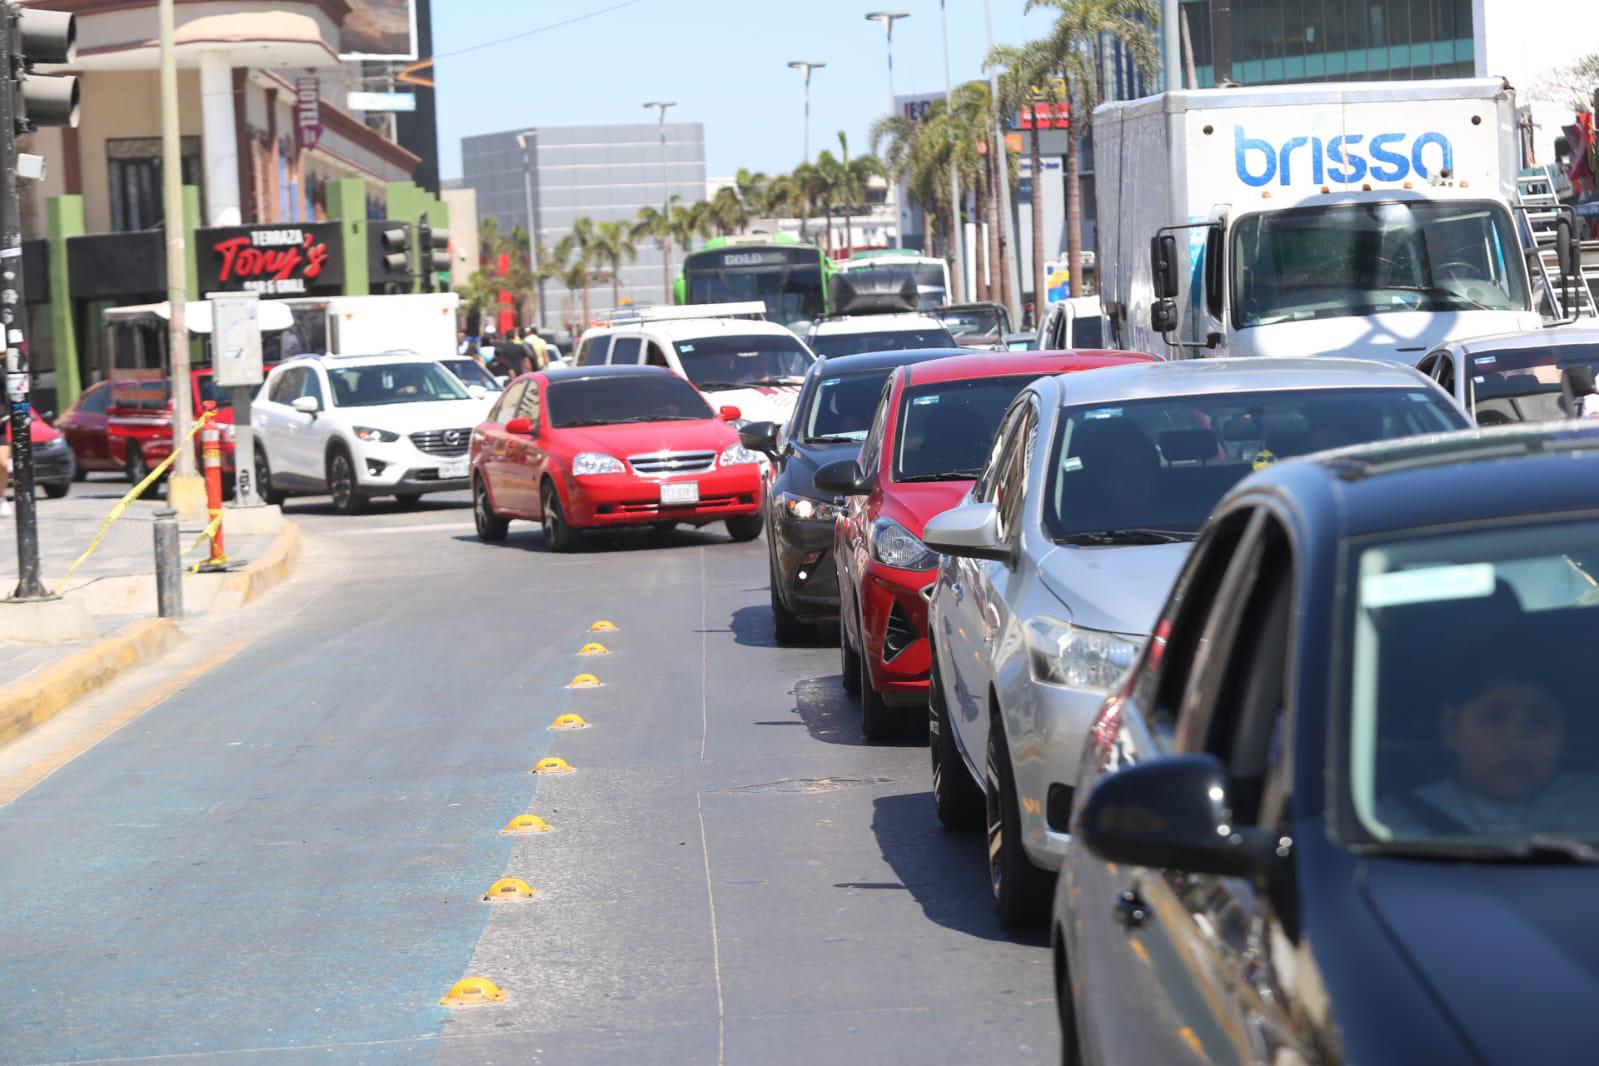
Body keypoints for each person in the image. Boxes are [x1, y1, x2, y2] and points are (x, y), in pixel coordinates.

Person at [1380, 662, 1599, 836]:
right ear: (1451, 728)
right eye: (1493, 718)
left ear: (1564, 736)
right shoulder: (1384, 825)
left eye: (1538, 721)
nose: (1516, 742)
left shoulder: (1591, 804)